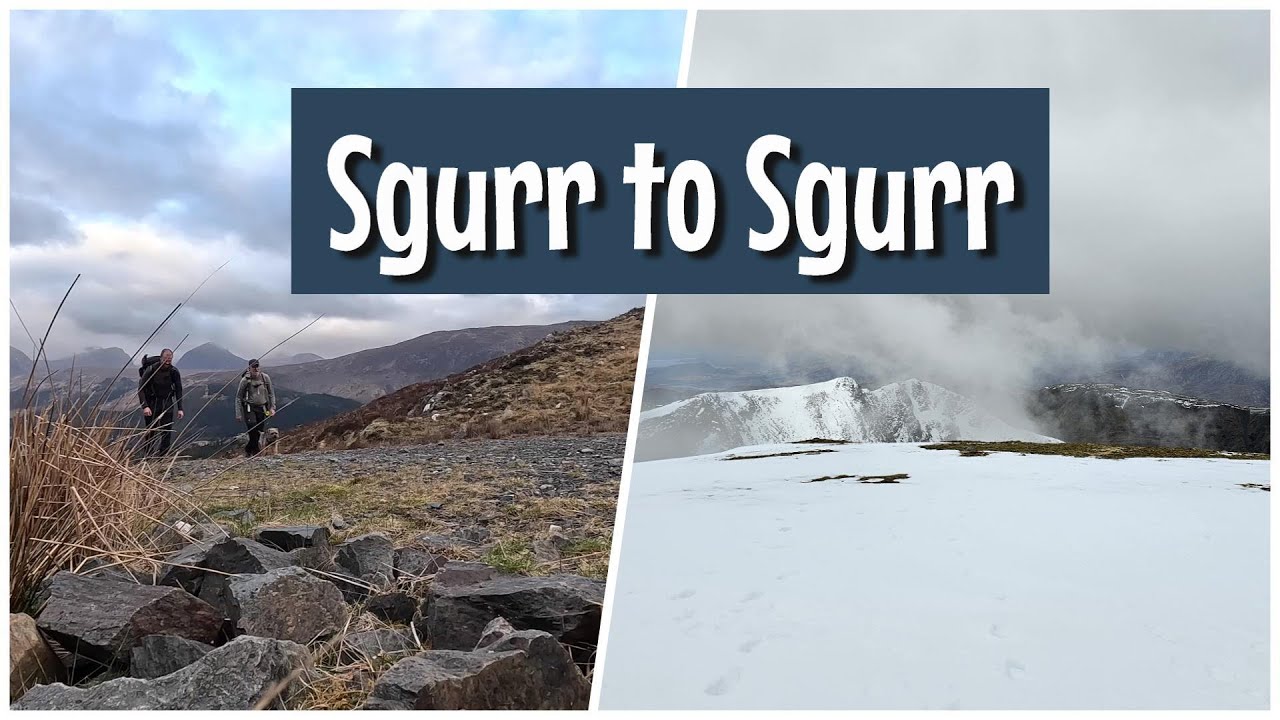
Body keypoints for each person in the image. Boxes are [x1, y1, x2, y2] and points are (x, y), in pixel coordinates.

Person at [138, 349, 184, 456]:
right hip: (152, 403)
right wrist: (145, 406)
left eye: (170, 359)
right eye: (165, 359)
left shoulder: (174, 372)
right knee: (151, 431)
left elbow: (178, 389)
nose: (167, 361)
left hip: (167, 403)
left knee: (166, 431)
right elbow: (141, 389)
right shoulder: (151, 370)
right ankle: (148, 457)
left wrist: (180, 408)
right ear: (161, 358)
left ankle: (162, 457)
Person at [236, 359, 276, 457]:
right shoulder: (245, 380)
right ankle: (255, 451)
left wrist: (272, 407)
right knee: (252, 428)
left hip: (262, 408)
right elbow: (238, 397)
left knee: (259, 431)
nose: (256, 368)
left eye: (257, 366)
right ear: (249, 368)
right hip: (250, 408)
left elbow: (271, 394)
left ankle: (249, 450)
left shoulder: (265, 378)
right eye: (253, 366)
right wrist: (238, 413)